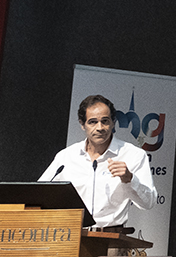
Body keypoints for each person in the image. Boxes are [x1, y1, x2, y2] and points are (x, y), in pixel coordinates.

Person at [39, 94, 156, 229]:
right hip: (70, 235)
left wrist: (129, 179)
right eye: (93, 122)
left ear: (113, 123)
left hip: (111, 239)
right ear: (82, 125)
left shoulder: (133, 155)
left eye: (105, 121)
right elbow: (40, 193)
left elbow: (149, 203)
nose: (100, 128)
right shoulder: (66, 157)